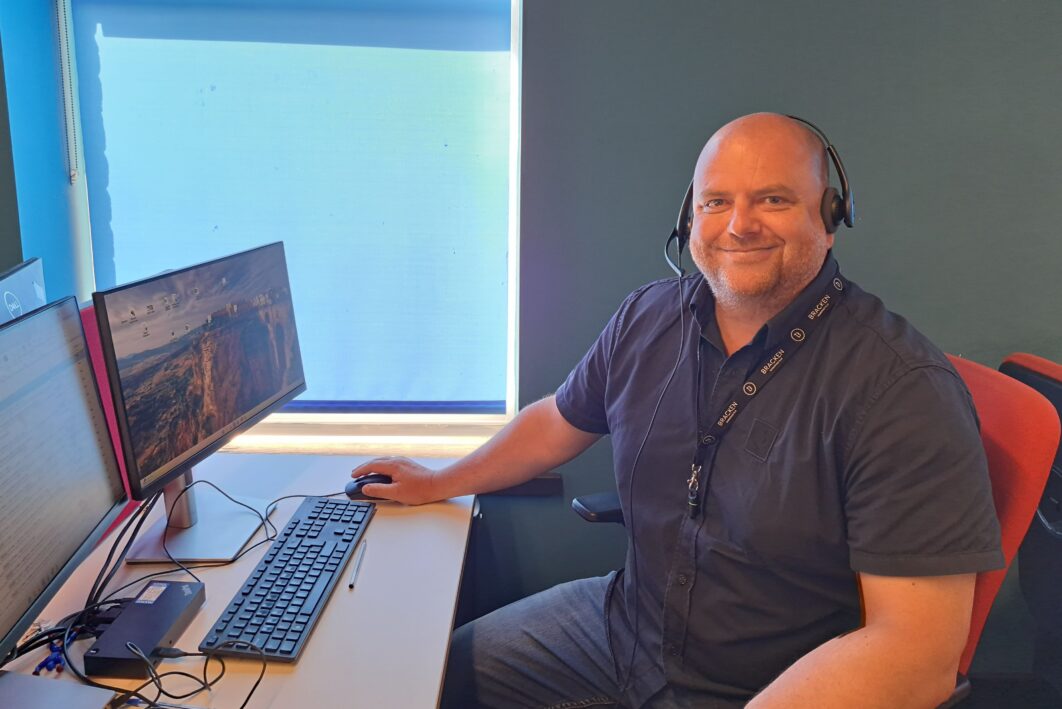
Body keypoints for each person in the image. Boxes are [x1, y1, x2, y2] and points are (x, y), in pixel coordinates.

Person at [350, 113, 1003, 708]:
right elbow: (557, 421)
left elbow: (916, 654)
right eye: (716, 202)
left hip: (773, 682)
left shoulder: (902, 389)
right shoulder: (647, 317)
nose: (739, 225)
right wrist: (440, 480)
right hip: (624, 629)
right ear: (689, 220)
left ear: (830, 217)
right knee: (435, 678)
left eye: (773, 200)